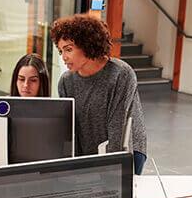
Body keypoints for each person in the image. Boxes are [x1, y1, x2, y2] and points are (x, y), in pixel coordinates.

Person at [51, 14, 147, 174]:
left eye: (68, 49)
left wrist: (110, 171)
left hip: (128, 148)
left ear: (86, 44)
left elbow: (117, 128)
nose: (64, 57)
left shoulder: (121, 74)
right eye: (61, 51)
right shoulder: (66, 81)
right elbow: (71, 129)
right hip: (89, 148)